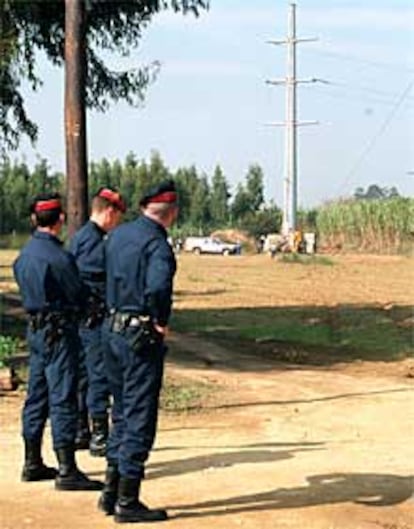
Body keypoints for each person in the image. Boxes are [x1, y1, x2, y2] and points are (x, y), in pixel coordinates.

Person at [98, 180, 179, 523]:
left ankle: (110, 490)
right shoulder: (157, 244)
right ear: (171, 214)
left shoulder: (118, 235)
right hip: (139, 337)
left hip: (112, 330)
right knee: (138, 415)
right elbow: (158, 287)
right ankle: (127, 502)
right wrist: (159, 320)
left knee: (120, 411)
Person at [13, 193, 102, 491]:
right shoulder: (60, 258)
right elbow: (77, 294)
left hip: (36, 331)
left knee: (36, 396)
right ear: (61, 219)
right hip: (60, 333)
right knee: (62, 395)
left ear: (33, 219)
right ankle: (67, 469)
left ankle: (32, 461)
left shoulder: (24, 256)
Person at [68, 187, 126, 456]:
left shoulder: (82, 237)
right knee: (98, 375)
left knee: (83, 375)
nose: (119, 223)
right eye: (118, 217)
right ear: (109, 212)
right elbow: (94, 278)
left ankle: (81, 429)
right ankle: (99, 435)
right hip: (94, 318)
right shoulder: (94, 240)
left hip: (83, 318)